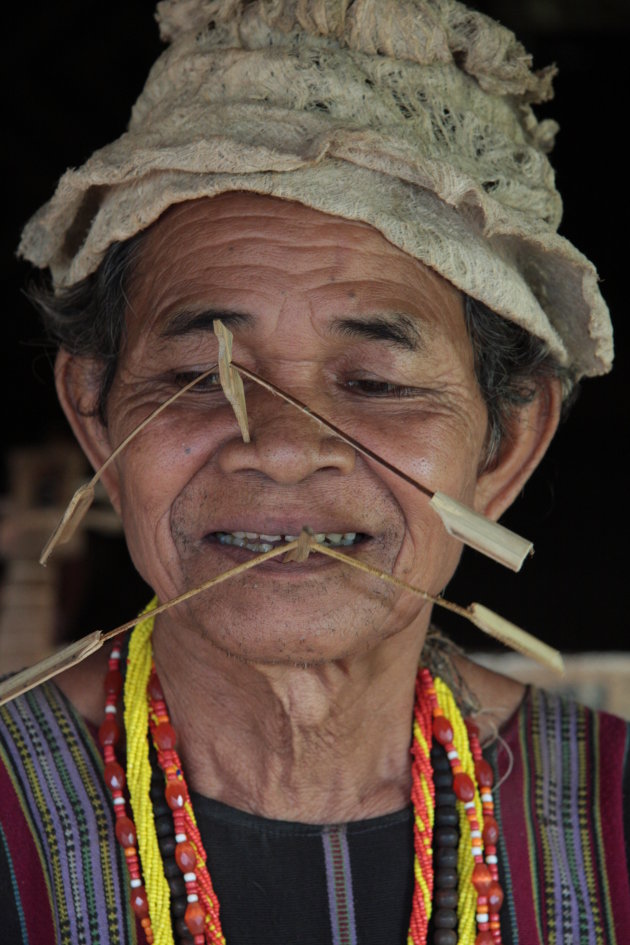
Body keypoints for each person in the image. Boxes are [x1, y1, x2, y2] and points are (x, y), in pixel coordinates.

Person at [2, 2, 629, 944]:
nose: (284, 448)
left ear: (503, 446)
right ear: (96, 420)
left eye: (375, 381)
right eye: (194, 379)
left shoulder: (614, 814)